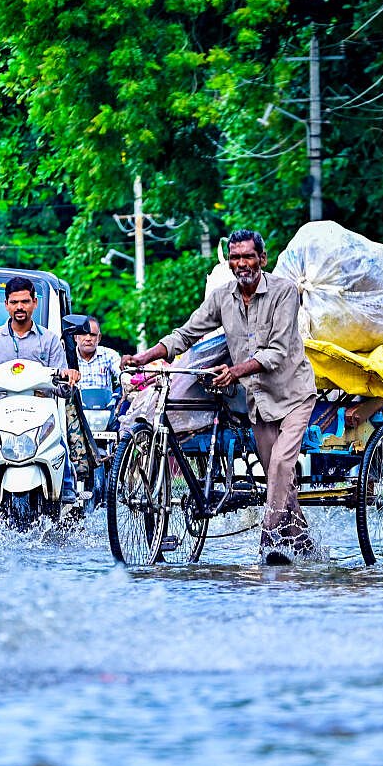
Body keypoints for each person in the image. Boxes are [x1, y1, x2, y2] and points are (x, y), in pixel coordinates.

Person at [120, 229, 320, 564]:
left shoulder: (284, 292)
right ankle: (304, 543)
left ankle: (269, 541)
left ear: (262, 259)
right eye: (236, 257)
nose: (242, 263)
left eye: (248, 256)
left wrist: (235, 371)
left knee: (281, 467)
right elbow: (187, 333)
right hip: (258, 400)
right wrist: (145, 357)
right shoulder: (222, 297)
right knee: (277, 476)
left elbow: (278, 351)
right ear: (230, 261)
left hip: (294, 394)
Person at [0, 276, 80, 504]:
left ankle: (66, 488)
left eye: (25, 301)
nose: (20, 307)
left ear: (34, 302)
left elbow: (62, 383)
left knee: (58, 444)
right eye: (14, 302)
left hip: (39, 412)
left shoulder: (50, 340)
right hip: (1, 413)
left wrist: (68, 377)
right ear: (6, 305)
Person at [75, 316, 122, 392]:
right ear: (75, 337)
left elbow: (121, 373)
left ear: (99, 338)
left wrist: (125, 378)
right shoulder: (67, 357)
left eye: (92, 335)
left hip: (104, 403)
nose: (88, 338)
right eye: (83, 334)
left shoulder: (109, 355)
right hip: (75, 403)